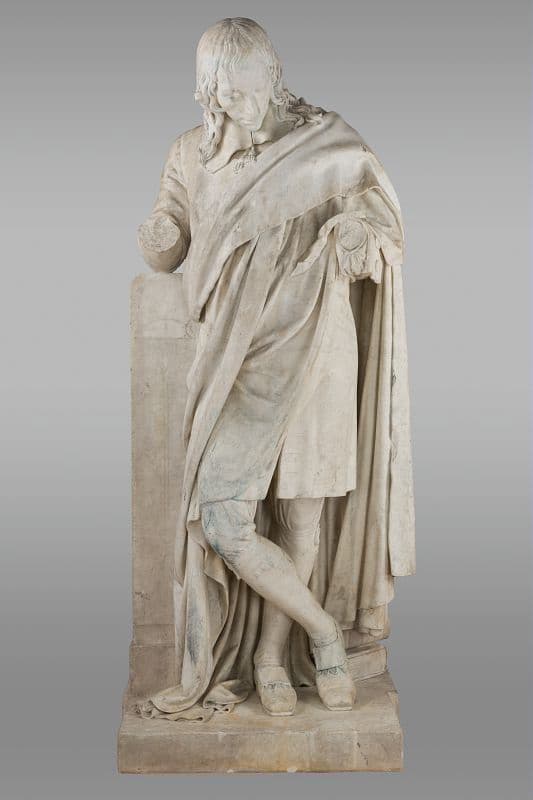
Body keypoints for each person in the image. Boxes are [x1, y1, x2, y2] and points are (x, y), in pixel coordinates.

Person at [138, 17, 415, 721]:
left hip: (317, 342)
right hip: (233, 359)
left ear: (273, 74)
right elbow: (170, 236)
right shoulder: (189, 154)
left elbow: (383, 231)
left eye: (245, 89)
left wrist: (355, 236)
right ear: (204, 93)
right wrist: (160, 234)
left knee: (301, 510)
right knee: (223, 518)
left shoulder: (328, 146)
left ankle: (270, 659)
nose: (235, 105)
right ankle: (322, 629)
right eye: (221, 95)